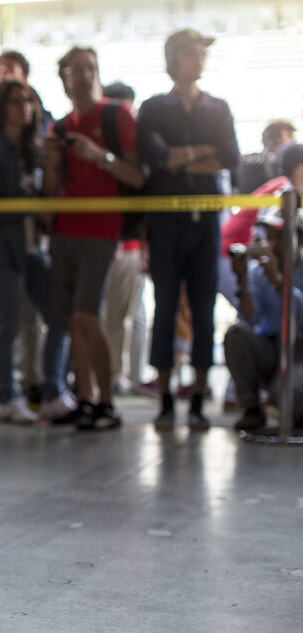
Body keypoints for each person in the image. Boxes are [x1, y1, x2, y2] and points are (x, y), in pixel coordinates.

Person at [138, 29, 241, 429]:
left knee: (202, 308)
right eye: (191, 53)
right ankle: (164, 395)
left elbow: (227, 158)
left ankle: (198, 395)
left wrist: (184, 157)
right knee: (165, 307)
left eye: (201, 53)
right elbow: (155, 157)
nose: (199, 60)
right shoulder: (154, 107)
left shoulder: (218, 108)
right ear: (174, 58)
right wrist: (202, 153)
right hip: (165, 222)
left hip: (205, 220)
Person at [43, 47, 144, 430]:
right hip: (64, 230)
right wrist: (53, 163)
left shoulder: (116, 116)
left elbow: (137, 175)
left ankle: (107, 401)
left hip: (101, 231)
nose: (84, 76)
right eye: (75, 69)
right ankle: (84, 398)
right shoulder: (60, 126)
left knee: (89, 316)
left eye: (90, 68)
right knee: (73, 320)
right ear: (64, 77)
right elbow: (52, 189)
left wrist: (99, 156)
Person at [0, 79, 73, 423]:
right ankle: (5, 396)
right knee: (9, 323)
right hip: (2, 249)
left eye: (28, 100)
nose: (23, 107)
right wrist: (29, 207)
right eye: (15, 101)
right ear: (2, 107)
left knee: (59, 318)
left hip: (32, 248)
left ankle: (52, 391)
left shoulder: (33, 148)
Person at [224, 144, 303, 431]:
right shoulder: (260, 271)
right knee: (236, 335)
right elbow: (250, 319)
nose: (270, 242)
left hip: (299, 352)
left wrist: (281, 284)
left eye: (278, 236)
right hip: (271, 349)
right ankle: (252, 408)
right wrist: (243, 282)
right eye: (268, 234)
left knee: (295, 405)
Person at [99, 81, 149, 395]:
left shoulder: (136, 148)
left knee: (131, 315)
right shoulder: (100, 146)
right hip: (104, 240)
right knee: (109, 316)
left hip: (130, 243)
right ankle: (112, 374)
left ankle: (126, 375)